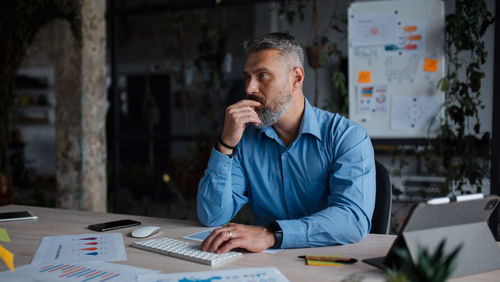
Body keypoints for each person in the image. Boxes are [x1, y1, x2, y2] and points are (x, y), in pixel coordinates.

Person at [197, 32, 375, 254]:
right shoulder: (244, 139)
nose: (249, 88)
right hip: (266, 265)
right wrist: (225, 144)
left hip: (329, 263)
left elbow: (352, 219)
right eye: (248, 77)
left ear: (296, 78)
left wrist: (271, 234)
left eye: (262, 75)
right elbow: (213, 215)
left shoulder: (347, 137)